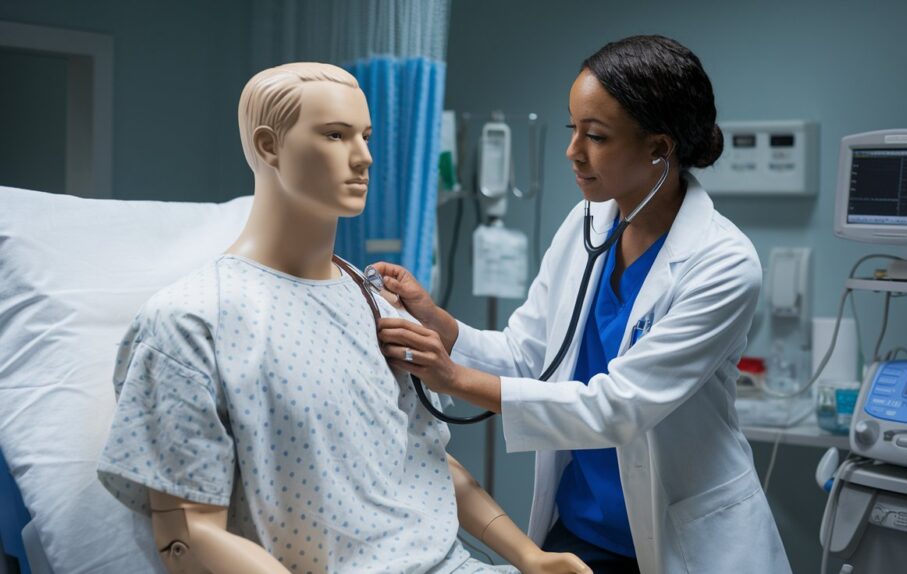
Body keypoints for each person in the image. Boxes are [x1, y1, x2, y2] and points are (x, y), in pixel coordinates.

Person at [97, 62, 589, 574]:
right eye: (335, 135)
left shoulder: (374, 300)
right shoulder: (191, 322)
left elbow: (420, 458)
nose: (364, 158)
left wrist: (530, 556)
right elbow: (187, 532)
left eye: (366, 136)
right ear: (269, 147)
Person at [373, 36, 792, 574]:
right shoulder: (588, 223)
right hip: (578, 531)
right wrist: (442, 325)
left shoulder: (723, 263)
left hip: (679, 542)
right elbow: (530, 354)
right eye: (573, 129)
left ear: (659, 148)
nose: (573, 151)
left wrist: (452, 378)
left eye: (595, 136)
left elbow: (618, 408)